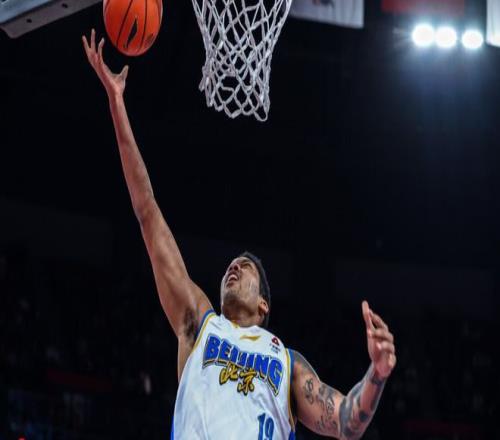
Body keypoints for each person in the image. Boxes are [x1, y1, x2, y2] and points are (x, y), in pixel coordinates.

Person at [82, 29, 397, 439]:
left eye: (246, 268)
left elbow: (344, 421)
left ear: (264, 304)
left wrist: (377, 372)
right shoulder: (199, 323)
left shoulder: (286, 362)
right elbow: (147, 211)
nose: (233, 266)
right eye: (232, 264)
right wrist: (116, 102)